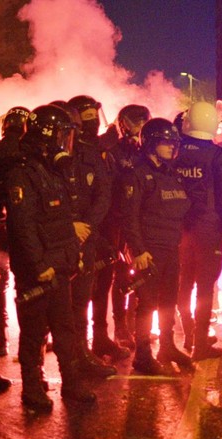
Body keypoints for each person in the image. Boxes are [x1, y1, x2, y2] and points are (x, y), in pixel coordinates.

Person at [5, 104, 97, 413]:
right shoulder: (22, 174)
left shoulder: (54, 171)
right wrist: (38, 265)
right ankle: (32, 387)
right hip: (39, 270)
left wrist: (74, 255)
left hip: (60, 264)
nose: (67, 142)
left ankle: (71, 383)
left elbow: (64, 219)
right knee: (33, 333)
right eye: (63, 135)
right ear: (48, 136)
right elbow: (23, 226)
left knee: (65, 328)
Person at [121, 118, 190, 375]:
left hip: (171, 248)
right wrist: (138, 250)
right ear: (150, 144)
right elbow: (129, 216)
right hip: (149, 250)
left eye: (174, 143)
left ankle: (168, 346)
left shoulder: (170, 173)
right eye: (166, 143)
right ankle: (142, 354)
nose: (172, 147)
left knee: (168, 300)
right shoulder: (137, 174)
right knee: (147, 303)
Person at [175, 101, 222, 362]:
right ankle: (200, 342)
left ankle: (188, 333)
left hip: (178, 227)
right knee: (204, 286)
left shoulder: (175, 151)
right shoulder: (216, 155)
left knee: (182, 282)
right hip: (207, 227)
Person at [64, 96, 121, 375]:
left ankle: (90, 346)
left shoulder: (96, 149)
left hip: (95, 230)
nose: (91, 118)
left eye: (92, 112)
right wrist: (75, 225)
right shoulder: (68, 150)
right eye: (85, 113)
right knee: (71, 298)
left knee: (89, 293)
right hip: (71, 233)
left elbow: (104, 192)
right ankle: (73, 355)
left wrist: (90, 225)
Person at [91, 104, 151, 353]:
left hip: (133, 219)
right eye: (137, 123)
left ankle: (131, 325)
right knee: (110, 277)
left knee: (129, 275)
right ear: (124, 123)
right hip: (110, 222)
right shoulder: (108, 147)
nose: (140, 129)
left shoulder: (138, 148)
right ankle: (111, 330)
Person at [0, 106, 29, 358]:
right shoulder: (31, 153)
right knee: (27, 289)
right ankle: (30, 341)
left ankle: (1, 340)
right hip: (22, 229)